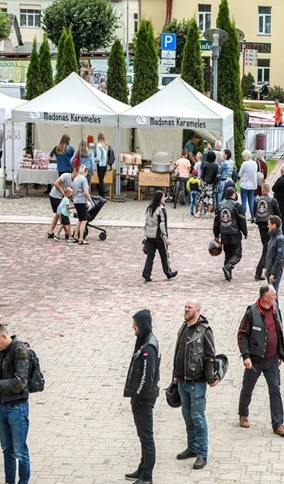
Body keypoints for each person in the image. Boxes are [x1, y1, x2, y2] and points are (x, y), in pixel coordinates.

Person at [237, 285, 284, 437]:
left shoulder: (275, 310)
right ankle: (243, 413)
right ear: (265, 297)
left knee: (275, 390)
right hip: (254, 360)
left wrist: (280, 354)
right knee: (247, 388)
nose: (276, 297)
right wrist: (245, 356)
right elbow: (242, 335)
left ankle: (278, 424)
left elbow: (278, 333)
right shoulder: (251, 312)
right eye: (273, 295)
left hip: (272, 360)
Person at [172, 298, 217, 471]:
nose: (185, 309)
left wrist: (210, 378)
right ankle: (192, 447)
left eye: (189, 307)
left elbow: (210, 356)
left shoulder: (204, 331)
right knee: (187, 415)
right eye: (185, 307)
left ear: (197, 311)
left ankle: (202, 453)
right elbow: (178, 353)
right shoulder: (183, 327)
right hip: (182, 381)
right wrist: (175, 376)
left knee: (198, 417)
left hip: (197, 383)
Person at [0, 323, 31, 484]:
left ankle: (23, 482)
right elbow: (5, 376)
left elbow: (20, 382)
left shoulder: (20, 351)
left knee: (20, 451)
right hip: (3, 405)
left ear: (4, 336)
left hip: (17, 408)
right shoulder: (2, 351)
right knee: (7, 450)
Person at [124, 309, 161, 484]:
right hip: (141, 397)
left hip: (144, 399)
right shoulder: (144, 341)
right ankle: (142, 467)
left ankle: (147, 476)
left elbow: (147, 377)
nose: (133, 327)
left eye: (135, 324)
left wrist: (137, 396)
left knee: (147, 437)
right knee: (142, 436)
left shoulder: (148, 348)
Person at [213, 187, 248, 281]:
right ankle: (228, 267)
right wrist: (245, 232)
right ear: (234, 194)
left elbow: (216, 222)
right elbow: (242, 221)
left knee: (228, 254)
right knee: (237, 254)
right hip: (234, 233)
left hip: (224, 233)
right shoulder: (237, 206)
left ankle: (227, 274)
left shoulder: (219, 205)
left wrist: (216, 234)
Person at [142, 190, 177, 282]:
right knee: (164, 255)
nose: (164, 199)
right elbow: (163, 225)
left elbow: (146, 223)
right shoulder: (161, 209)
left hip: (150, 235)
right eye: (163, 197)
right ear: (159, 199)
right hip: (158, 236)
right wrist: (166, 238)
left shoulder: (149, 208)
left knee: (150, 256)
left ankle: (146, 274)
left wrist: (146, 234)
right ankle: (168, 273)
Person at [254, 183, 280, 281]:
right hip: (269, 225)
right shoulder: (272, 200)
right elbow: (277, 213)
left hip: (260, 224)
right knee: (267, 249)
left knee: (266, 245)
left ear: (262, 190)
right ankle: (258, 271)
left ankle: (266, 265)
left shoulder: (256, 200)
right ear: (269, 191)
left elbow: (254, 211)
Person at [47, 167, 77, 239]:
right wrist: (63, 192)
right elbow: (56, 183)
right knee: (60, 214)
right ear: (74, 172)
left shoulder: (74, 182)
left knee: (58, 214)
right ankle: (66, 232)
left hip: (62, 197)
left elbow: (71, 192)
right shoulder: (66, 176)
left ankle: (51, 231)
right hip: (55, 195)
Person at [71, 165, 93, 245]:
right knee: (84, 220)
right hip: (81, 200)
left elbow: (73, 191)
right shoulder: (84, 179)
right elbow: (86, 192)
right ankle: (81, 238)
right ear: (85, 171)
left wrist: (73, 198)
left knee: (80, 219)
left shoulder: (76, 178)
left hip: (76, 200)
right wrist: (90, 201)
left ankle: (75, 237)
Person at [264, 215, 284, 295]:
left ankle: (276, 308)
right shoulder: (272, 237)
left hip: (275, 272)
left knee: (273, 295)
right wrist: (267, 267)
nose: (267, 226)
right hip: (270, 270)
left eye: (269, 224)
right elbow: (269, 254)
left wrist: (273, 273)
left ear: (274, 225)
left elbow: (280, 258)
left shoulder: (279, 239)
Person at [238, 149, 258, 221]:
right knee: (251, 201)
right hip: (253, 185)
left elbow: (240, 174)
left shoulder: (244, 164)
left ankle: (243, 216)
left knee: (244, 201)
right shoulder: (255, 163)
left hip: (245, 185)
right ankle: (253, 216)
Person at [200, 150, 218, 216]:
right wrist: (215, 183)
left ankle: (200, 211)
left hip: (205, 182)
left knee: (202, 196)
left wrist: (200, 182)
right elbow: (216, 175)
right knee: (210, 197)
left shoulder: (205, 164)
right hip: (211, 183)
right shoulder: (216, 165)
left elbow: (202, 175)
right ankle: (209, 212)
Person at [94, 132, 109, 198]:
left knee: (101, 181)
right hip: (105, 164)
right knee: (102, 180)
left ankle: (102, 196)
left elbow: (98, 157)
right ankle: (100, 194)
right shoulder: (106, 145)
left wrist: (93, 159)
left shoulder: (98, 145)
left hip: (100, 165)